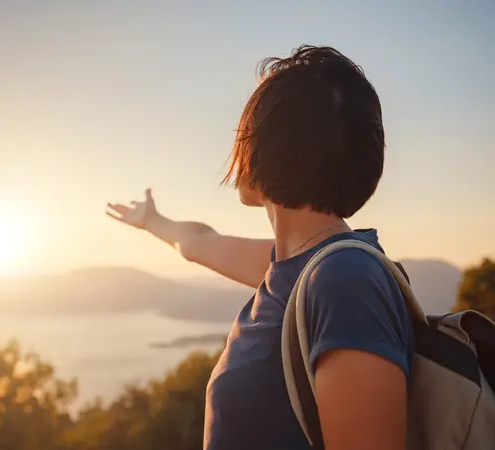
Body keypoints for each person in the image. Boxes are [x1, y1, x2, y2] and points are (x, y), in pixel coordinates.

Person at [106, 45, 411, 450]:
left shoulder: (344, 282)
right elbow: (197, 243)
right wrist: (153, 221)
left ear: (272, 147)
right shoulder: (295, 268)